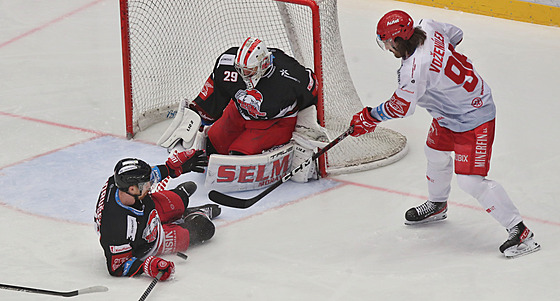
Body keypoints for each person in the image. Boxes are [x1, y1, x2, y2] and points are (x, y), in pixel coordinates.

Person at [349, 10, 540, 258]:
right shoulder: (428, 26)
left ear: (398, 39)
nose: (387, 48)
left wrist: (370, 117)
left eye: (387, 42)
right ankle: (437, 205)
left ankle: (520, 231)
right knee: (435, 153)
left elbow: (402, 107)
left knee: (470, 181)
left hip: (474, 115)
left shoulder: (414, 71)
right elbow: (456, 34)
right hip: (448, 112)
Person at [94, 150, 221, 280]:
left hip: (147, 209)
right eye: (146, 185)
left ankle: (184, 208)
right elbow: (118, 267)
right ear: (132, 189)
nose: (150, 186)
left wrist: (170, 168)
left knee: (181, 198)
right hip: (149, 241)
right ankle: (190, 216)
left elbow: (149, 176)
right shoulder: (115, 228)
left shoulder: (120, 183)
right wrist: (147, 266)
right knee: (204, 229)